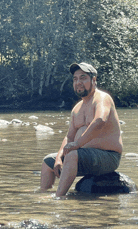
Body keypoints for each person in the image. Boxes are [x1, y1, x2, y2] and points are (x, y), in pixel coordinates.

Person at [40, 62, 123, 197]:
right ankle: (42, 195)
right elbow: (69, 137)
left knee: (72, 154)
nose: (78, 82)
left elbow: (100, 121)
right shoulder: (77, 108)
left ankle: (58, 198)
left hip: (108, 156)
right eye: (75, 79)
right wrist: (59, 158)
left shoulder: (102, 98)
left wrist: (77, 145)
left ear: (93, 80)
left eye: (83, 78)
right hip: (84, 157)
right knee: (47, 161)